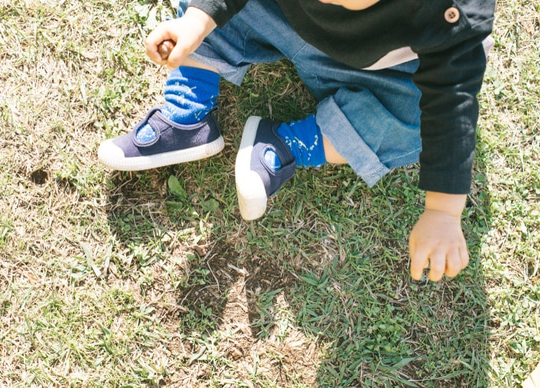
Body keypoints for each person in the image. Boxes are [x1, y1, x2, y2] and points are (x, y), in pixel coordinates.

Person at [98, 0, 496, 282]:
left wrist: (444, 213)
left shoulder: (452, 12)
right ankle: (189, 109)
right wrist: (197, 22)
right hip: (278, 13)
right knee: (204, 15)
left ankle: (293, 144)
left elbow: (453, 100)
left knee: (421, 124)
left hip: (386, 68)